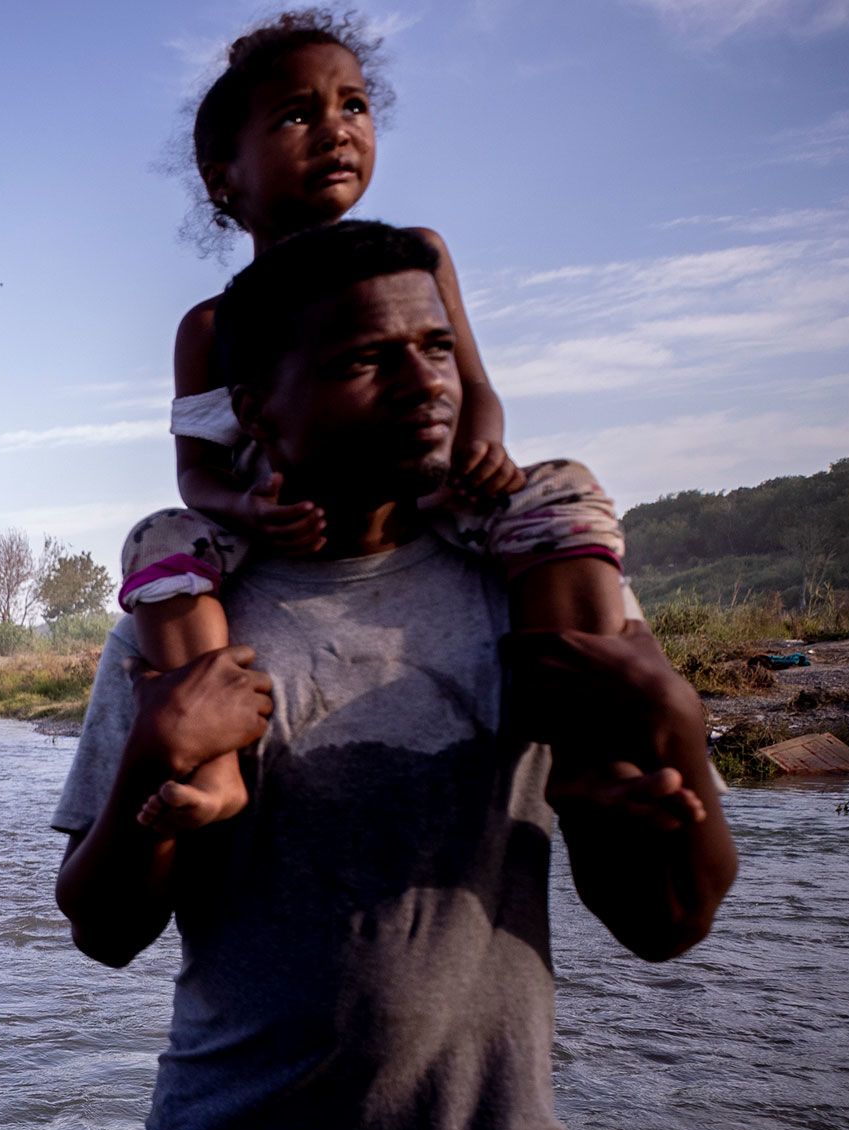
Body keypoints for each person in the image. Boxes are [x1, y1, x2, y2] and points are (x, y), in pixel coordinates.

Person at [53, 221, 736, 1130]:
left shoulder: (536, 586)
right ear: (259, 411)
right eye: (369, 358)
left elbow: (668, 920)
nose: (426, 382)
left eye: (436, 346)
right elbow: (104, 927)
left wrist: (671, 735)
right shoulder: (190, 618)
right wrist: (158, 776)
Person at [123, 10, 674, 832]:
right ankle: (213, 764)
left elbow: (475, 389)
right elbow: (197, 474)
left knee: (565, 491)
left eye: (353, 107)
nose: (336, 131)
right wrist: (252, 511)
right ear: (223, 176)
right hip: (276, 532)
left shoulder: (416, 256)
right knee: (158, 541)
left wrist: (479, 447)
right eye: (298, 115)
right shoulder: (210, 329)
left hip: (435, 495)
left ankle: (592, 752)